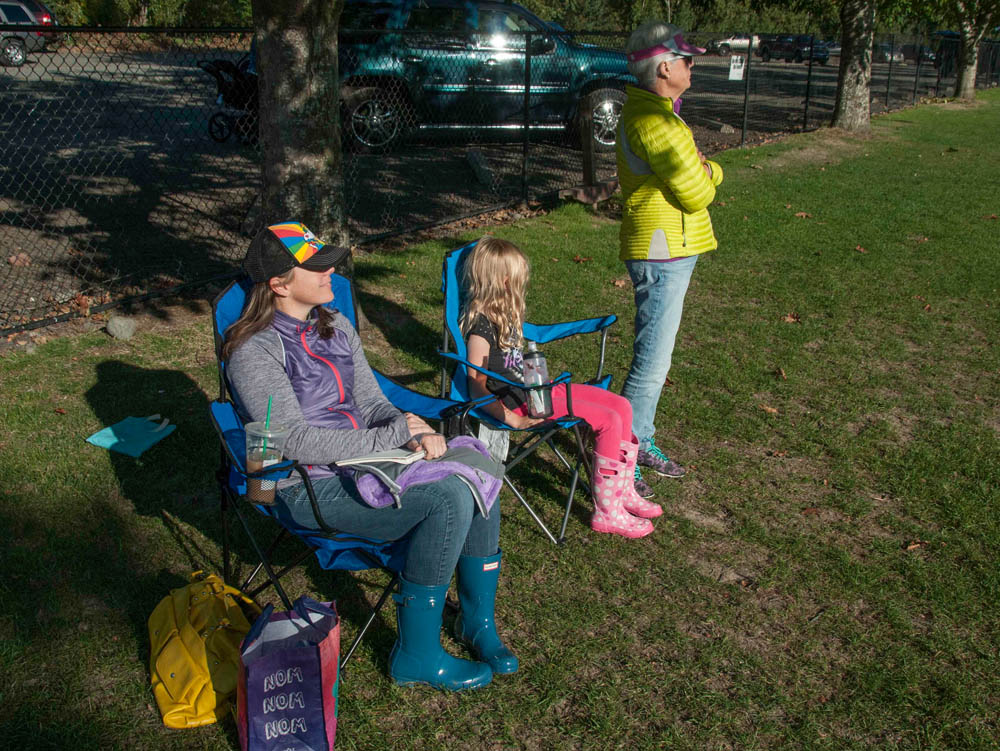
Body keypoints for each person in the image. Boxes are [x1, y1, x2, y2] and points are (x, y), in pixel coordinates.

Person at [224, 221, 516, 691]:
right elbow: (294, 442)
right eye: (315, 266)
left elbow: (371, 402)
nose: (330, 271)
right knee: (449, 500)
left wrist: (409, 430)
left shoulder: (336, 327)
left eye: (328, 261)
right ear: (278, 284)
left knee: (477, 467)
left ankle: (476, 623)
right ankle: (416, 655)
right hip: (309, 483)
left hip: (371, 463)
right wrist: (390, 437)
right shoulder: (254, 351)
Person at [460, 237, 660, 539]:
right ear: (501, 281)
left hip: (535, 392)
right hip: (520, 405)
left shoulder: (504, 314)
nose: (522, 284)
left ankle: (623, 490)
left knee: (620, 405)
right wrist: (513, 419)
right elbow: (475, 385)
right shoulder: (482, 328)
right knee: (609, 420)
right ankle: (607, 512)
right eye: (518, 278)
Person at [616, 22, 724, 498]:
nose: (692, 66)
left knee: (656, 359)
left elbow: (700, 173)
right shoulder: (654, 121)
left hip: (669, 248)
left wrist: (706, 168)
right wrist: (710, 171)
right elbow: (697, 190)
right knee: (651, 364)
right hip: (663, 250)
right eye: (686, 59)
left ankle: (641, 440)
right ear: (665, 67)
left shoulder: (657, 113)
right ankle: (622, 456)